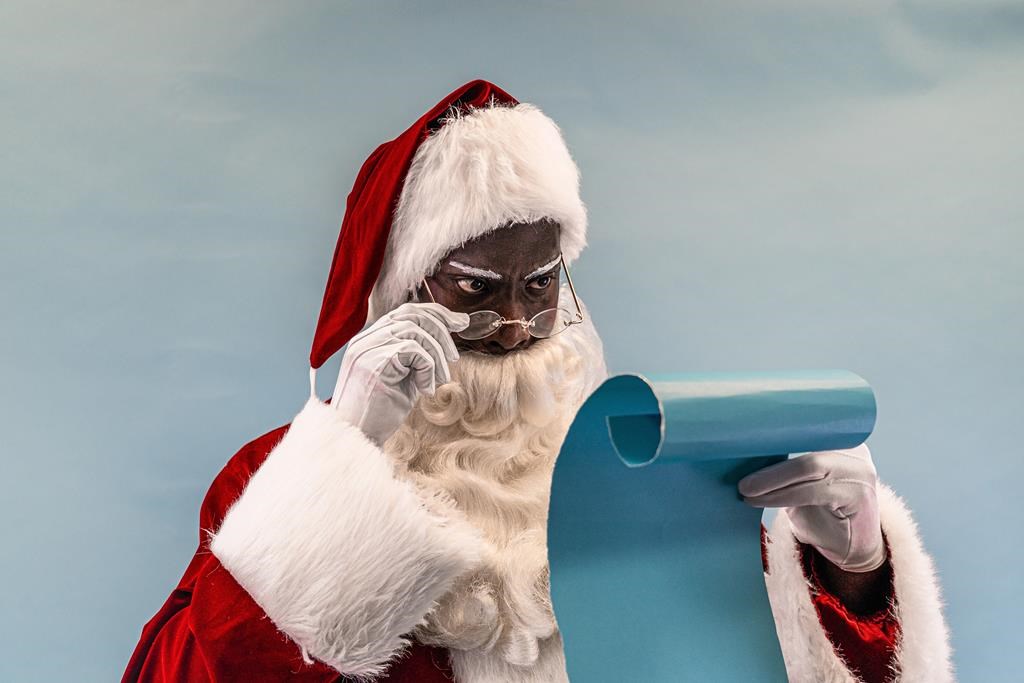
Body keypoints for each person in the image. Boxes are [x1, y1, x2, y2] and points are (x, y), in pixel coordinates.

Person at [123, 80, 953, 682]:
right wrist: (344, 454)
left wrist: (853, 572)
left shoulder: (642, 472)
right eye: (476, 290)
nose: (516, 326)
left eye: (541, 284)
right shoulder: (276, 480)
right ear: (403, 291)